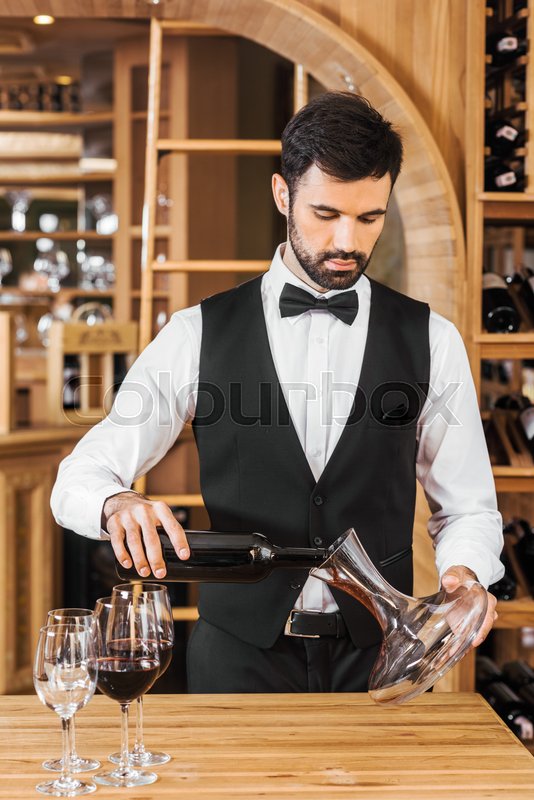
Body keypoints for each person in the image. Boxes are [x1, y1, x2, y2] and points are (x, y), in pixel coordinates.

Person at [51, 91, 503, 693]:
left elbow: (468, 506)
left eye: (369, 218)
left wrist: (465, 573)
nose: (348, 242)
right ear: (282, 194)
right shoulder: (195, 334)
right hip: (237, 659)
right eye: (326, 214)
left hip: (378, 659)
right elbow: (79, 476)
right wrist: (116, 504)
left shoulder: (432, 340)